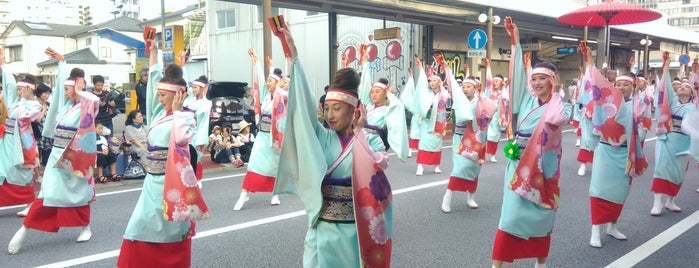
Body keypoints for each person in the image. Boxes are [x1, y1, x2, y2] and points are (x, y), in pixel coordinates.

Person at [275, 27, 392, 267]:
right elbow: (304, 106)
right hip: (323, 227)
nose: (330, 115)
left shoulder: (369, 138)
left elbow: (378, 167)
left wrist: (359, 133)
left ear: (353, 110)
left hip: (354, 230)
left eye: (336, 109)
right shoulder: (322, 136)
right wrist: (294, 59)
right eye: (326, 109)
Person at [117, 37, 209, 267]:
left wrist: (178, 111)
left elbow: (181, 138)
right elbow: (152, 86)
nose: (159, 98)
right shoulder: (159, 114)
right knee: (137, 227)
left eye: (164, 95)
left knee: (170, 234)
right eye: (158, 94)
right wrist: (154, 52)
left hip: (172, 185)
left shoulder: (186, 115)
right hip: (152, 183)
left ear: (178, 95)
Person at [491, 18, 570, 268]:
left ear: (553, 81)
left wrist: (556, 94)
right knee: (510, 216)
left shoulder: (560, 104)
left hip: (543, 169)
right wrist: (515, 41)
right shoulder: (527, 101)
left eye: (542, 79)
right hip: (519, 166)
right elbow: (516, 80)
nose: (536, 84)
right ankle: (497, 265)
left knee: (542, 217)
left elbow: (556, 119)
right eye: (534, 79)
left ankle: (541, 264)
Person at [8, 50, 99, 254]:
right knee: (47, 193)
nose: (65, 93)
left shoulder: (87, 106)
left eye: (69, 90)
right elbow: (58, 93)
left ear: (78, 89)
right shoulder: (64, 107)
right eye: (65, 89)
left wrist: (79, 89)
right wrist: (62, 64)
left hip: (75, 157)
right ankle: (25, 229)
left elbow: (92, 101)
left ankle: (86, 227)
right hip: (57, 155)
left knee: (80, 194)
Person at [583, 46, 649, 248]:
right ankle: (595, 229)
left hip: (624, 153)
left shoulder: (638, 105)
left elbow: (644, 128)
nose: (621, 87)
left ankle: (612, 226)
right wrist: (589, 63)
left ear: (633, 87)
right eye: (617, 84)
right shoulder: (604, 104)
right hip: (605, 151)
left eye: (625, 85)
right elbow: (592, 99)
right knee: (599, 189)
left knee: (620, 192)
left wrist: (634, 123)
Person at [440, 58, 496, 213]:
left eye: (468, 86)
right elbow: (451, 87)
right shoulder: (460, 100)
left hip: (476, 139)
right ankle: (447, 197)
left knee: (473, 169)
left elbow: (490, 105)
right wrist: (446, 67)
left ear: (476, 88)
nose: (464, 89)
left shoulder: (481, 101)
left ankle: (470, 197)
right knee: (459, 168)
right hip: (460, 137)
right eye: (463, 86)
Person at [233, 49, 285, 210]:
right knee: (254, 163)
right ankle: (244, 194)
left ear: (278, 84)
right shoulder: (265, 97)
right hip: (262, 135)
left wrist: (275, 73)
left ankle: (275, 194)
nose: (268, 83)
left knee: (274, 167)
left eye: (271, 81)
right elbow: (261, 81)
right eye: (268, 81)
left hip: (275, 138)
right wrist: (257, 63)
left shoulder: (283, 97)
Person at [649, 55, 697, 216]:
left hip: (684, 143)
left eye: (686, 86)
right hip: (667, 138)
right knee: (661, 169)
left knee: (678, 173)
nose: (682, 87)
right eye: (680, 86)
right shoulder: (672, 102)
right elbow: (666, 88)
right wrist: (666, 66)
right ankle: (657, 203)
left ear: (692, 92)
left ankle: (670, 201)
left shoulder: (694, 108)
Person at [0, 53, 43, 217]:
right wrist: (3, 64)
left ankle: (30, 203)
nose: (18, 93)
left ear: (28, 90)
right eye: (17, 90)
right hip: (8, 141)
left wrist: (25, 100)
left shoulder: (35, 105)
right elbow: (9, 84)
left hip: (24, 144)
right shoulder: (15, 102)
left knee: (24, 172)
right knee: (5, 170)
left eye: (21, 90)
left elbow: (23, 118)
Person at [357, 51, 409, 160]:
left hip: (375, 143)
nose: (374, 94)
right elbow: (365, 85)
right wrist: (366, 64)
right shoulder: (369, 106)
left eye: (377, 92)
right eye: (372, 92)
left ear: (385, 94)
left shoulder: (388, 110)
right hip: (360, 139)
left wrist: (388, 93)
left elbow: (398, 107)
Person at [411, 56, 450, 176]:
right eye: (431, 81)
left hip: (438, 121)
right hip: (426, 121)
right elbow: (421, 85)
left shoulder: (444, 94)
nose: (432, 83)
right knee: (423, 143)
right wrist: (420, 68)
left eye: (434, 81)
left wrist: (446, 68)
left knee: (436, 143)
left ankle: (436, 165)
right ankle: (420, 166)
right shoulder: (427, 93)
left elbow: (446, 108)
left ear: (439, 82)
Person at [184, 75, 212, 184]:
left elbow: (203, 123)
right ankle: (187, 179)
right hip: (185, 132)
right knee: (185, 157)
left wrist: (201, 140)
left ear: (202, 88)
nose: (193, 89)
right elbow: (185, 83)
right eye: (192, 87)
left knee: (197, 157)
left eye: (196, 87)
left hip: (196, 133)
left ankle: (198, 179)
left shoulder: (206, 103)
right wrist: (182, 66)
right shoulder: (188, 101)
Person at [483, 61, 509, 163]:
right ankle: (483, 154)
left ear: (501, 82)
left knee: (494, 138)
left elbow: (507, 101)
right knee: (485, 137)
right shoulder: (490, 92)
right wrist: (488, 66)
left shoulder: (504, 93)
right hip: (488, 118)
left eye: (497, 81)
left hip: (498, 118)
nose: (495, 83)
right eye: (494, 81)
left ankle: (492, 155)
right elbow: (488, 81)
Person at [31, 84, 53, 186]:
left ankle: (45, 174)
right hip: (37, 132)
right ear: (39, 93)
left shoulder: (47, 104)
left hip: (47, 133)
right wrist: (43, 109)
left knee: (46, 154)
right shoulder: (35, 104)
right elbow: (37, 119)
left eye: (48, 93)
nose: (47, 95)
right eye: (45, 93)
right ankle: (38, 175)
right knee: (36, 155)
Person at [399, 66, 419, 158]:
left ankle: (420, 148)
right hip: (415, 116)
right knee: (413, 132)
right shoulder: (415, 93)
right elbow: (410, 88)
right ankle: (410, 149)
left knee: (421, 134)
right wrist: (410, 75)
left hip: (423, 117)